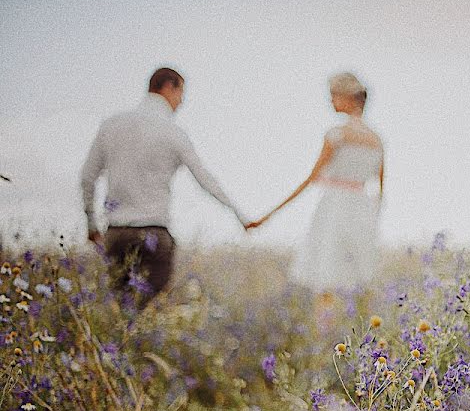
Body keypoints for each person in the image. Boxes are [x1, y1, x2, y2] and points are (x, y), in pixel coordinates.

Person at [80, 67, 248, 309]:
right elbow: (205, 180)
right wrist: (239, 213)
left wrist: (91, 225)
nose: (181, 102)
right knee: (150, 313)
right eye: (181, 93)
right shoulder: (173, 132)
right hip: (154, 234)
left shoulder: (111, 126)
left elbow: (87, 177)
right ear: (169, 87)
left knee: (120, 311)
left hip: (116, 233)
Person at [246, 72, 384, 305]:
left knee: (326, 279)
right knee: (358, 277)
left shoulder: (337, 135)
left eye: (334, 95)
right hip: (363, 210)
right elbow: (380, 189)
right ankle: (361, 334)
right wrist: (373, 220)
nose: (330, 101)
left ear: (348, 98)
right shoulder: (377, 140)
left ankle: (326, 336)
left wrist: (267, 216)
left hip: (334, 209)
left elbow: (310, 180)